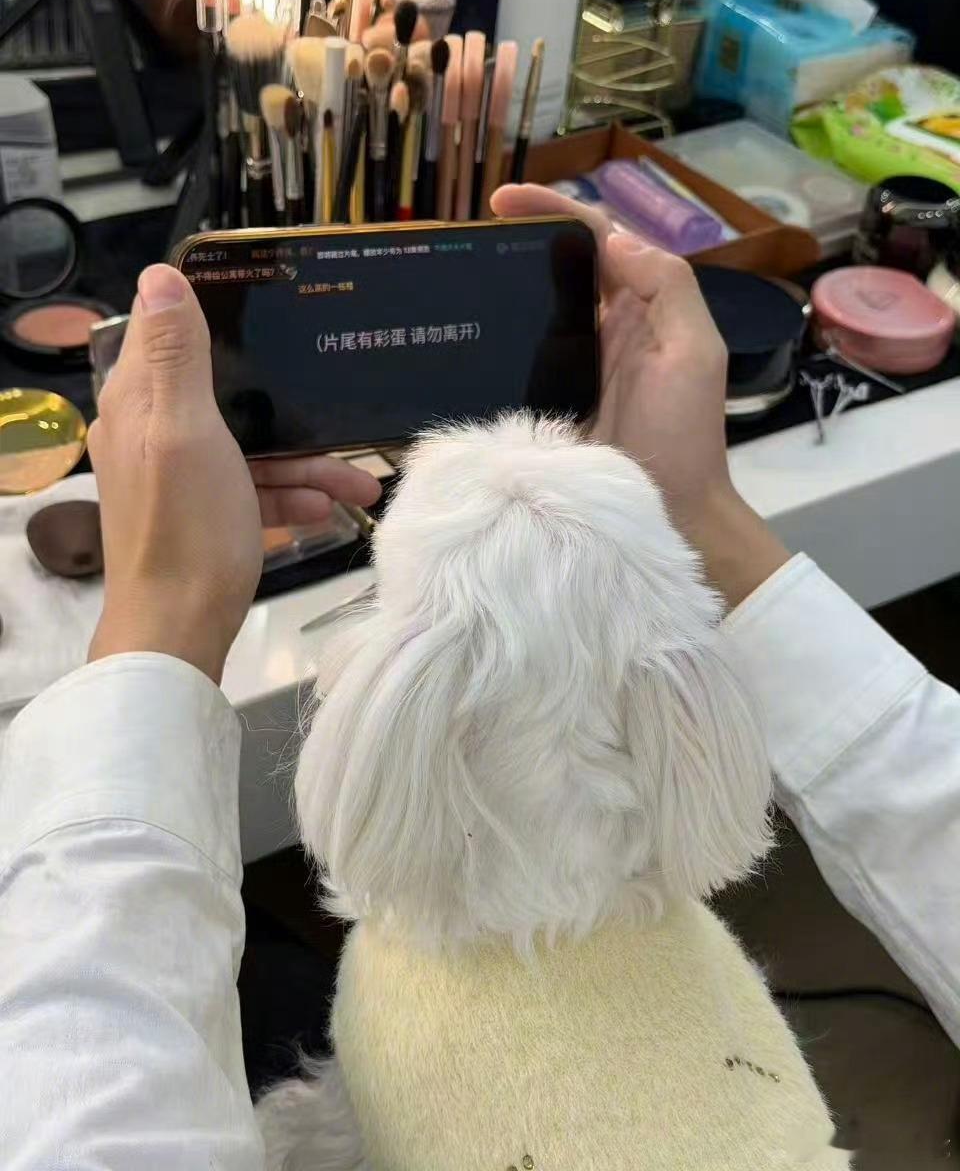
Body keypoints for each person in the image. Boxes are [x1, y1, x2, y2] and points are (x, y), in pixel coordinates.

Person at [0, 183, 956, 1167]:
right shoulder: (699, 741)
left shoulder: (396, 942)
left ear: (375, 667)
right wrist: (698, 502)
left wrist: (162, 609)